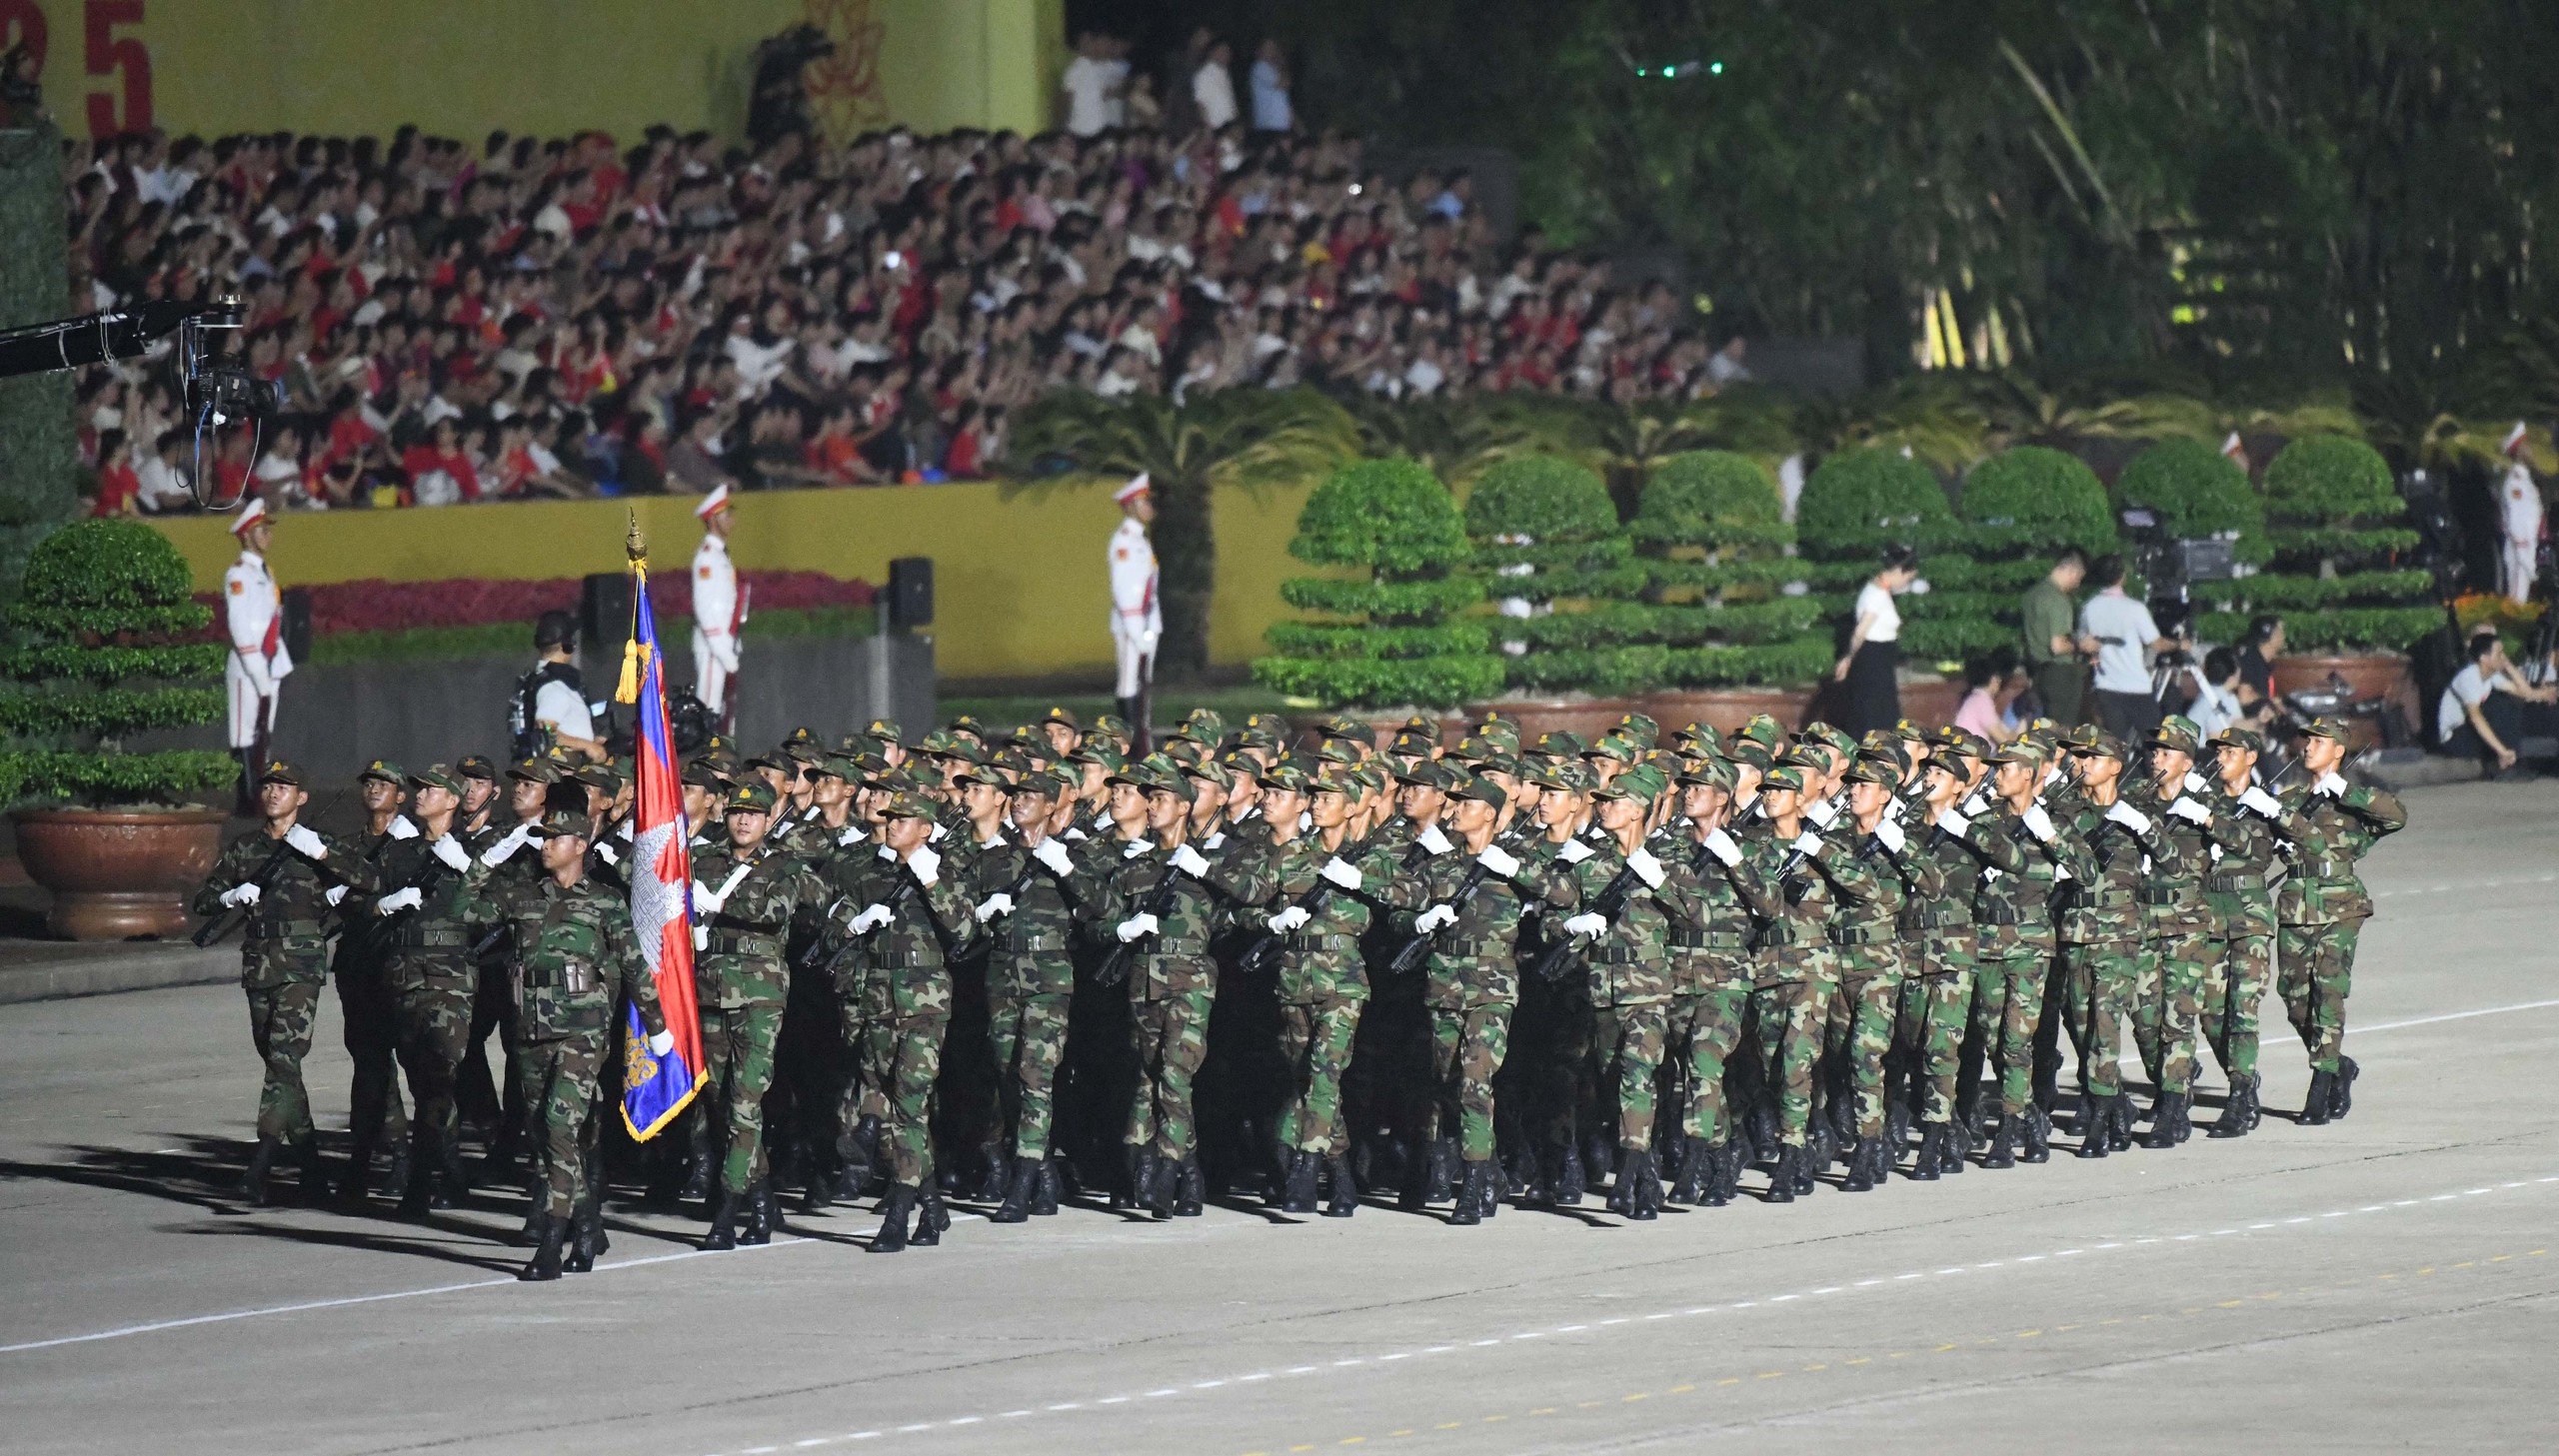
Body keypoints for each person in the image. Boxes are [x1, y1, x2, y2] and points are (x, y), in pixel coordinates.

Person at [464, 805, 671, 1281]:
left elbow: (635, 964)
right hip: (531, 1029)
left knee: (560, 1125)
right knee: (543, 1133)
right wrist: (485, 861)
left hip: (583, 1029)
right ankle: (589, 1225)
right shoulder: (522, 895)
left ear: (580, 846)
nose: (544, 846)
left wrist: (656, 1026)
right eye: (542, 838)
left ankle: (552, 1243)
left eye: (554, 838)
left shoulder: (604, 902)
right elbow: (463, 911)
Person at [192, 759, 379, 1206]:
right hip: (259, 964)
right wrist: (231, 895)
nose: (274, 793)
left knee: (283, 1058)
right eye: (269, 786)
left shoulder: (318, 843)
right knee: (282, 1069)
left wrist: (322, 856)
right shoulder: (246, 847)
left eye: (284, 787)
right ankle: (312, 1170)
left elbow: (369, 880)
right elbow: (203, 900)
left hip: (301, 966)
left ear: (302, 798)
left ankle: (259, 1168)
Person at [2266, 717, 2406, 1124]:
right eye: (2307, 740)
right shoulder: (2290, 798)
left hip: (2341, 905)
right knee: (2295, 998)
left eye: (2318, 741)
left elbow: (2396, 816)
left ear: (2339, 751)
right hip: (2296, 905)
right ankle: (2338, 1064)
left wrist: (2344, 791)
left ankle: (2320, 1084)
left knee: (2328, 989)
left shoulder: (2354, 799)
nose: (2308, 747)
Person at [224, 498, 293, 811]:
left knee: (264, 731)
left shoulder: (264, 571)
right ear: (247, 535)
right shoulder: (239, 575)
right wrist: (257, 670)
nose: (268, 535)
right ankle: (247, 798)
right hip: (248, 665)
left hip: (270, 661)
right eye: (262, 530)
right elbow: (240, 627)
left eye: (268, 529)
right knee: (244, 734)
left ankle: (261, 795)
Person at [2437, 631, 2554, 773]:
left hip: (2470, 732)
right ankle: (2506, 762)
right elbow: (2476, 717)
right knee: (2500, 704)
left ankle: (2510, 760)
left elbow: (2525, 693)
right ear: (2484, 658)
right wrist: (2502, 751)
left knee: (2510, 704)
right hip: (2455, 738)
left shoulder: (2491, 676)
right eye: (2499, 654)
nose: (2503, 657)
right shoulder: (2469, 677)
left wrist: (2508, 666)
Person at [2078, 555, 2167, 741]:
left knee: (2116, 746)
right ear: (2122, 576)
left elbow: (2083, 640)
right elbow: (2157, 643)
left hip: (2106, 686)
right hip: (2137, 686)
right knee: (2155, 745)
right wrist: (2179, 644)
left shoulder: (2089, 607)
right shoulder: (2135, 608)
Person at [1832, 545, 1917, 736]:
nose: (1905, 583)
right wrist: (1848, 657)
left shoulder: (1877, 590)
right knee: (1875, 716)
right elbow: (1861, 630)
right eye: (1907, 578)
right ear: (1899, 571)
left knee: (1879, 714)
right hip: (1873, 662)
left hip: (1879, 661)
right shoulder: (1876, 595)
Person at [1108, 473, 1161, 741]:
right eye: (1144, 502)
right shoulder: (1125, 541)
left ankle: (1141, 739)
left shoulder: (1140, 539)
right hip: (1133, 623)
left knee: (1143, 684)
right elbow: (1125, 590)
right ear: (1131, 506)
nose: (1150, 507)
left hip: (1147, 620)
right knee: (1129, 683)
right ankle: (1127, 743)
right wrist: (1136, 630)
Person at [513, 611, 605, 761]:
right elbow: (545, 733)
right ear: (569, 644)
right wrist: (587, 746)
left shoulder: (547, 680)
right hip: (561, 771)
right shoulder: (554, 687)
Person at [691, 483, 743, 725]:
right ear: (713, 519)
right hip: (714, 646)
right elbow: (706, 609)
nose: (731, 520)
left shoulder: (719, 554)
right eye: (726, 514)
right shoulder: (708, 557)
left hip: (723, 643)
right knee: (709, 712)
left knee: (721, 715)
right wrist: (724, 651)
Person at [2019, 548, 2087, 726]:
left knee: (2043, 727)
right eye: (2079, 578)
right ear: (2071, 571)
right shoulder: (2059, 600)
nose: (2077, 584)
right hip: (2061, 674)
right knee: (2063, 730)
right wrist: (2083, 646)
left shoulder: (2032, 595)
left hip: (2038, 671)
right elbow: (2058, 646)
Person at [2498, 423, 2542, 605]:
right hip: (2520, 548)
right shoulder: (2515, 482)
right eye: (2526, 445)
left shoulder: (2525, 479)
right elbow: (2516, 516)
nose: (2530, 450)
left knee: (2523, 598)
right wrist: (2522, 546)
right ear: (2518, 450)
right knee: (2517, 599)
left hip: (2528, 545)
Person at [1192, 40, 1238, 131]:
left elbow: (1230, 101)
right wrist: (1207, 128)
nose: (1225, 55)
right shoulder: (1204, 74)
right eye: (1222, 51)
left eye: (1227, 52)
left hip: (1230, 126)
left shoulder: (1224, 72)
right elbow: (1200, 103)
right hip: (1215, 126)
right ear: (1211, 52)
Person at [1249, 39, 1292, 133]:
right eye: (1267, 48)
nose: (1272, 51)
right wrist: (1282, 64)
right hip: (1268, 124)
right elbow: (1283, 84)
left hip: (1280, 124)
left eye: (1273, 48)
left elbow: (1287, 84)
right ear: (1259, 51)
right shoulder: (1260, 67)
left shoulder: (1274, 70)